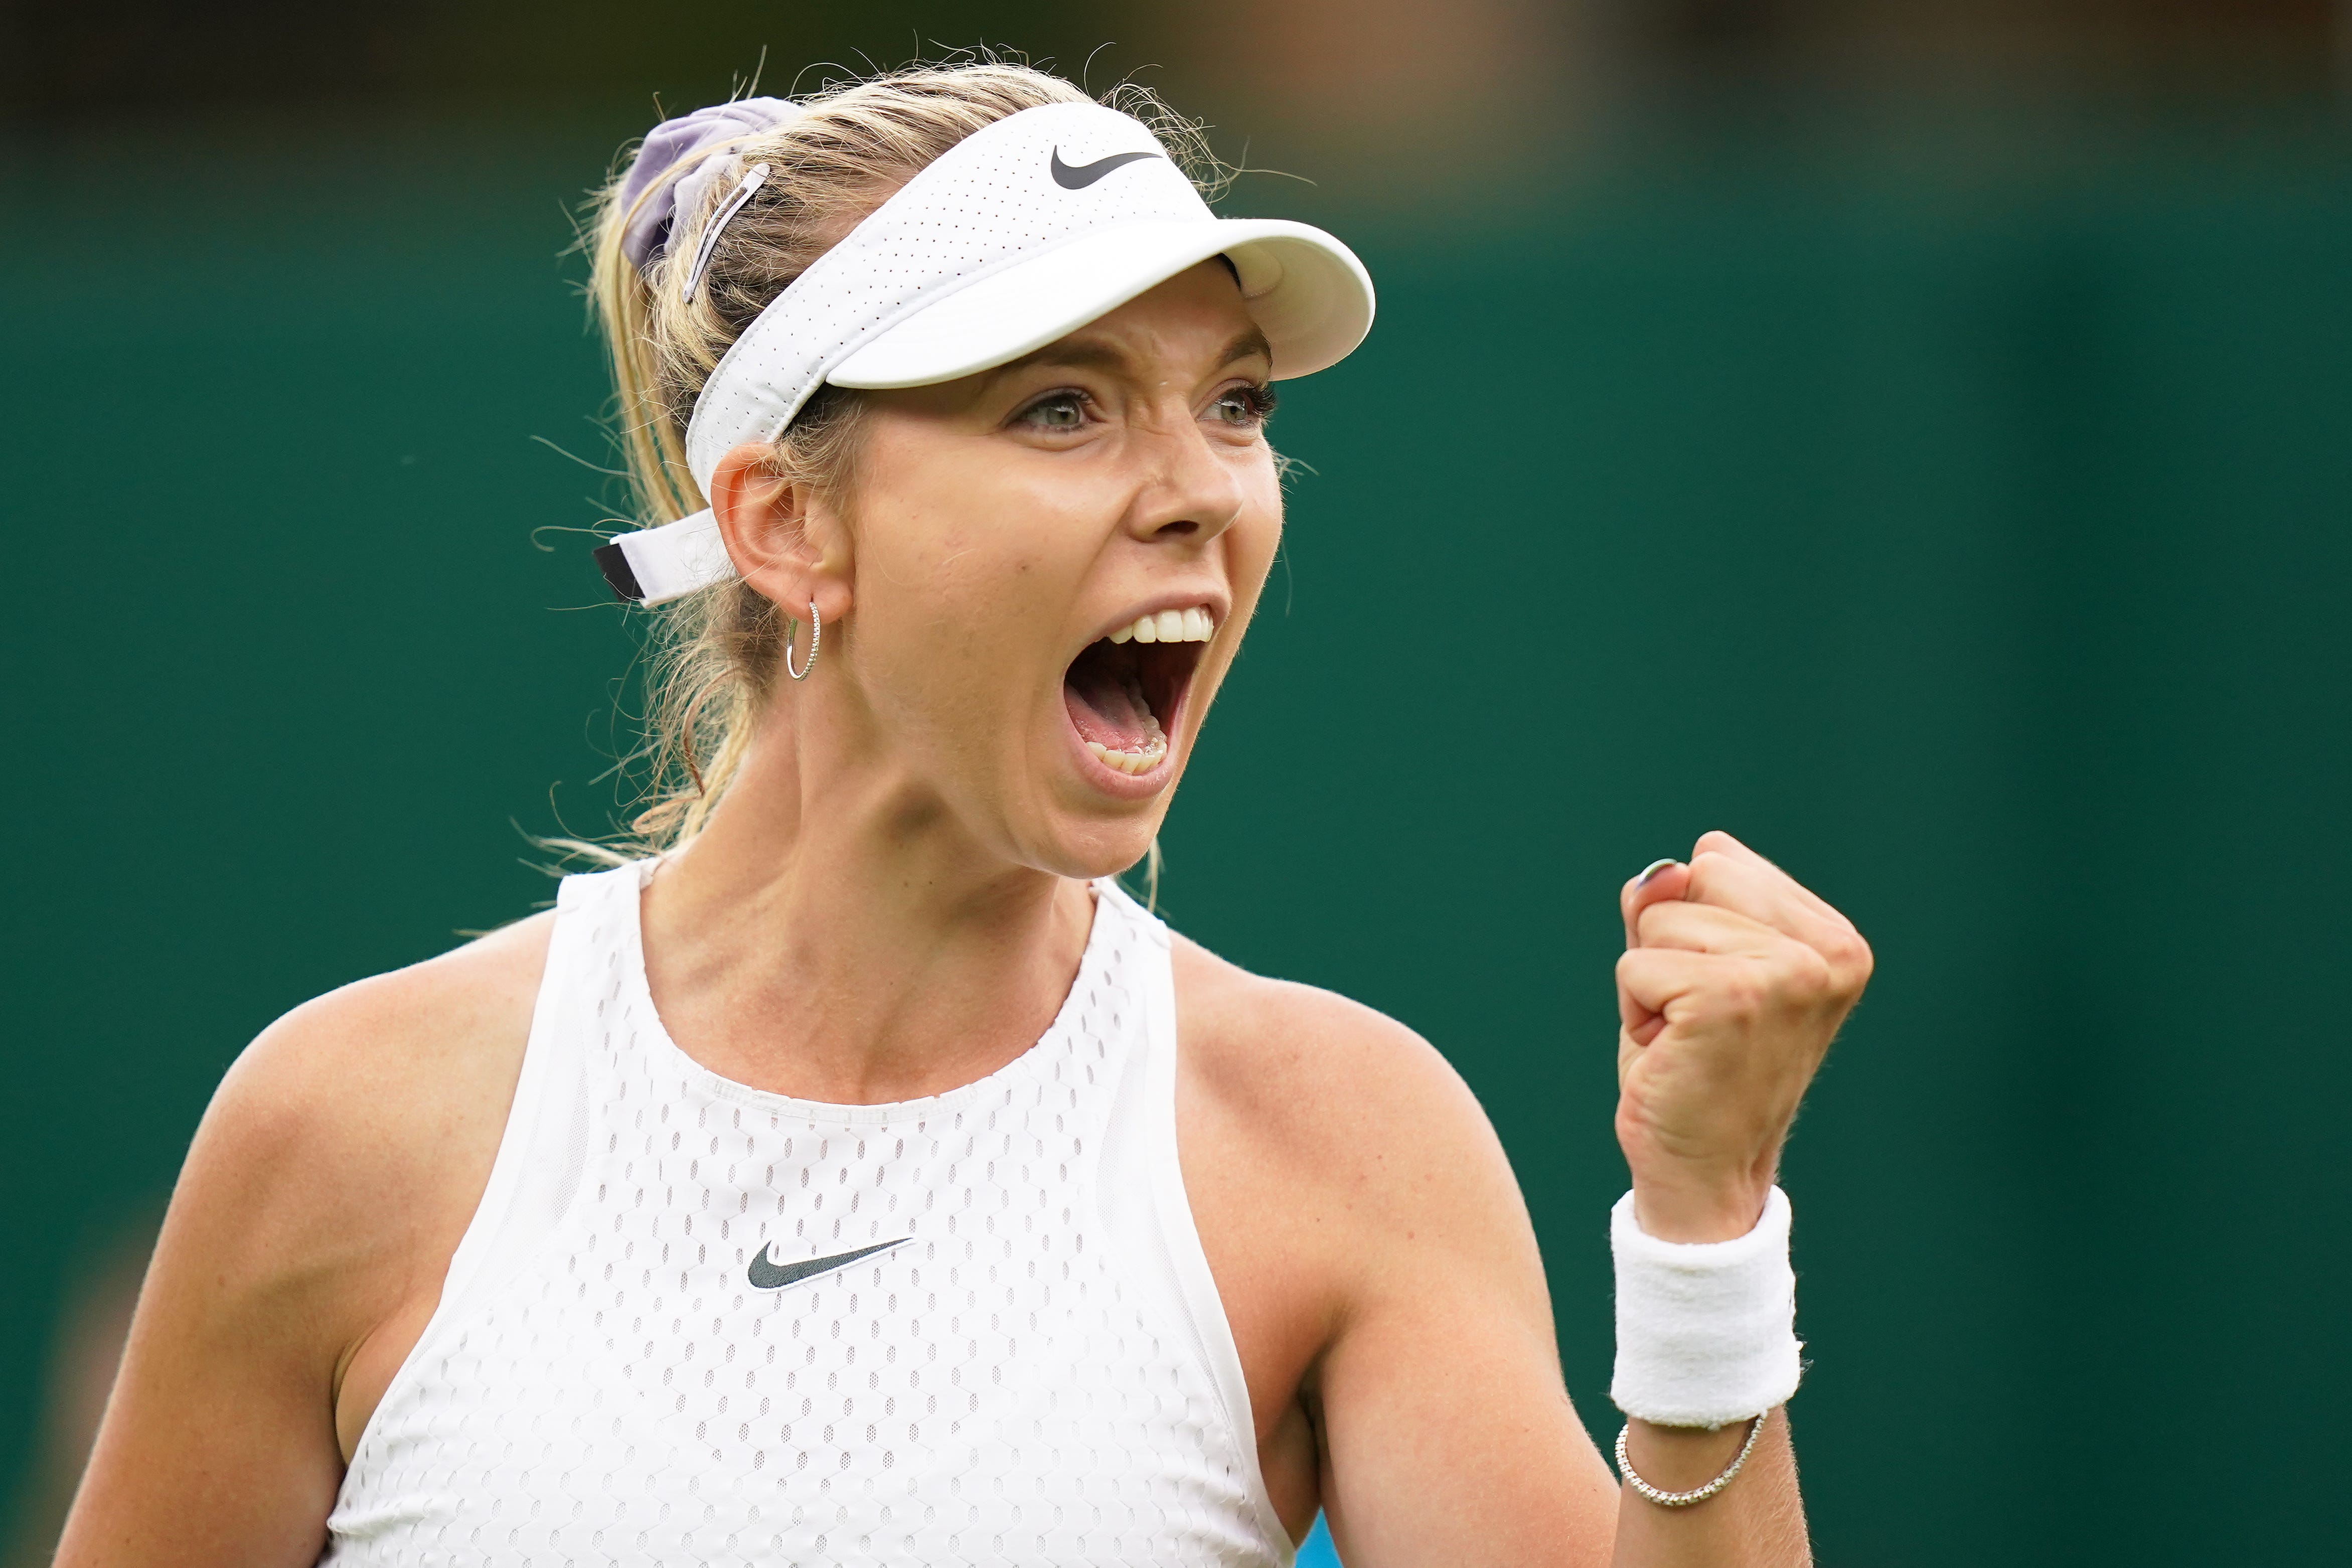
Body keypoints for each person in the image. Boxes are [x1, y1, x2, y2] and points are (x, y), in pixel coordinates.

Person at [56, 60, 1870, 1567]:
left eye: (1230, 403)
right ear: (782, 525)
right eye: (1062, 409)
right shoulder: (347, 1130)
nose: (1199, 494)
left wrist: (1703, 1233)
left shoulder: (1342, 1141)